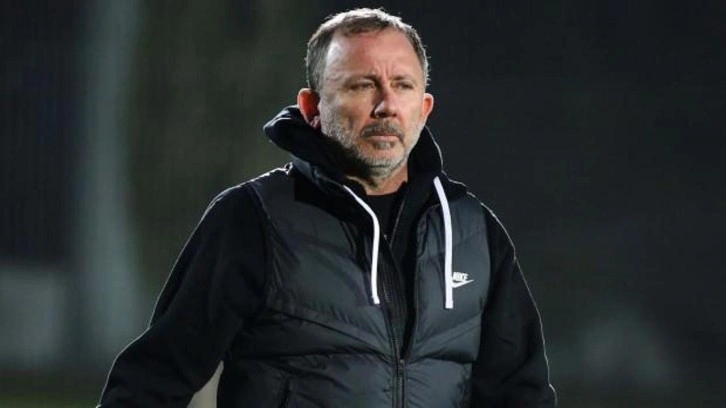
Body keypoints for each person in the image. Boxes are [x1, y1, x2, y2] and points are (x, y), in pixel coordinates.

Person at [98, 8, 556, 407]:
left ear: (424, 108)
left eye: (403, 85)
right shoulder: (254, 219)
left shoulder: (472, 230)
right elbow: (152, 382)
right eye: (362, 85)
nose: (386, 105)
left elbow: (521, 394)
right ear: (311, 107)